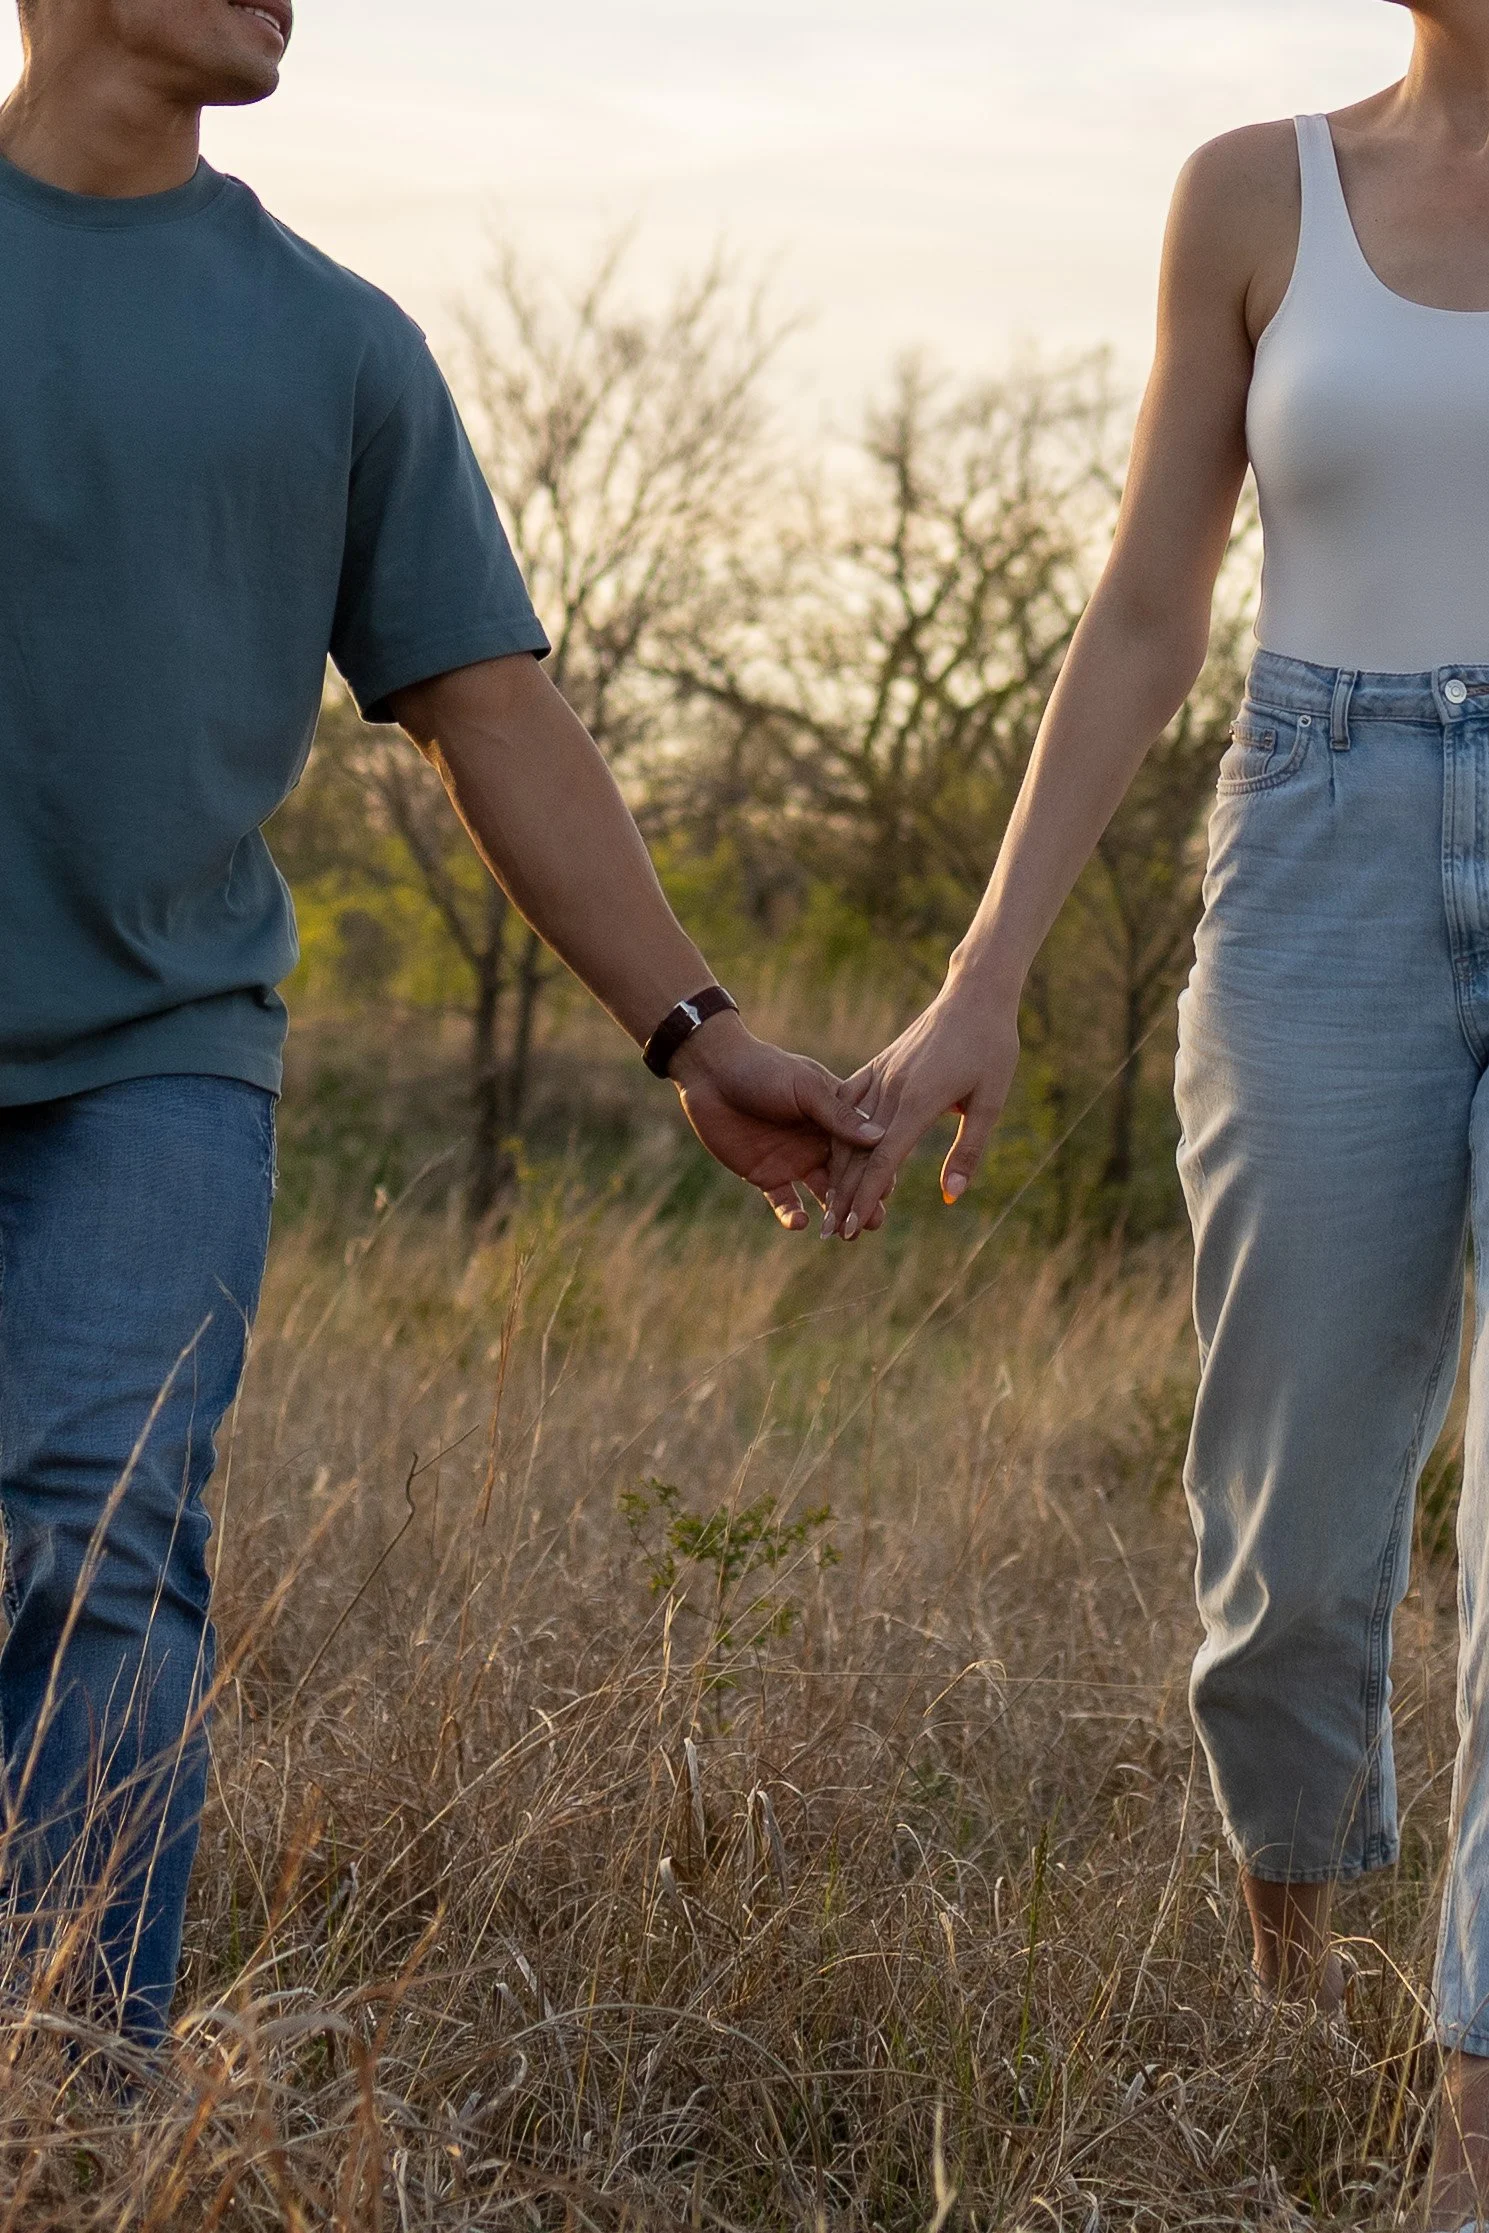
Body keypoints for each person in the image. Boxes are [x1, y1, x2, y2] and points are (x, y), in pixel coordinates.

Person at [0, 0, 887, 2049]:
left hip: (155, 1063)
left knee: (100, 1543)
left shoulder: (335, 347)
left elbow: (491, 711)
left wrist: (696, 1032)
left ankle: (68, 2112)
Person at [819, 1, 1489, 2219]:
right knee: (1288, 1529)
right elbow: (1142, 607)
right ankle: (1296, 2003)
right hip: (1315, 845)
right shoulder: (1252, 191)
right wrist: (981, 979)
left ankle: (1474, 2112)